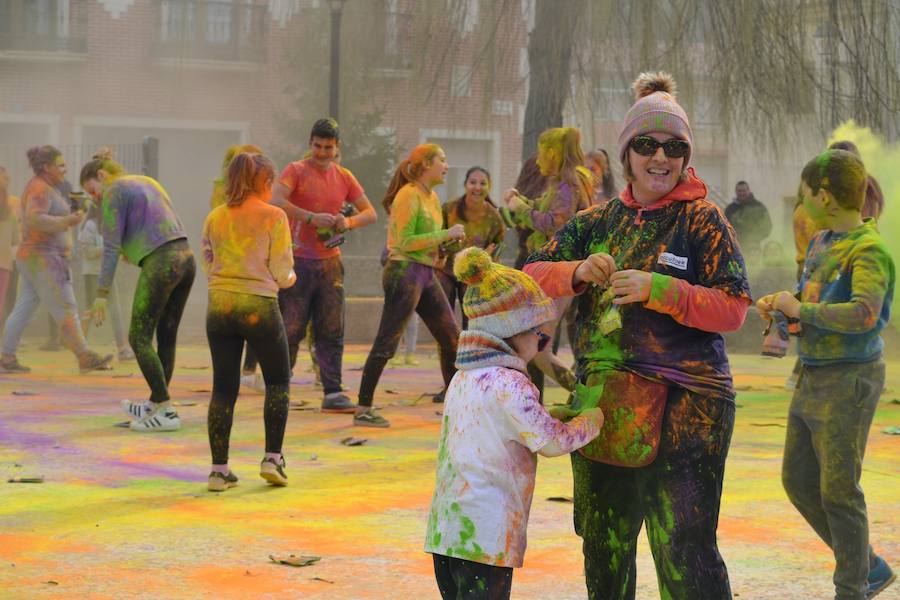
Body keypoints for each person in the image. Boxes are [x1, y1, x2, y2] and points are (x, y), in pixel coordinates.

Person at [523, 72, 751, 599]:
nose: (660, 157)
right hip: (606, 404)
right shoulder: (596, 221)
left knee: (684, 551)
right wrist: (576, 272)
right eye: (646, 144)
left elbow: (734, 307)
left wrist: (662, 289)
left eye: (674, 147)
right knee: (605, 546)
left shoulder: (704, 220)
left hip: (690, 405)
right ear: (627, 152)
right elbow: (530, 275)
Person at [425, 247, 604, 600]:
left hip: (447, 532)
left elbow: (499, 428)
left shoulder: (464, 378)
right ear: (513, 330)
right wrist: (590, 422)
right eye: (540, 334)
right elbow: (551, 443)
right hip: (485, 537)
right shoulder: (512, 383)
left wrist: (550, 415)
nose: (543, 343)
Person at [756, 149, 895, 600]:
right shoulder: (820, 242)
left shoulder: (870, 250)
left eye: (804, 196)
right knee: (797, 480)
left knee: (839, 489)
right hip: (813, 373)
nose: (801, 205)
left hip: (850, 379)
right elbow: (804, 305)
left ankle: (851, 588)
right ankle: (867, 566)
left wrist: (804, 309)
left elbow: (865, 316)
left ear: (826, 196)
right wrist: (782, 308)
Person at [201, 151, 296, 492]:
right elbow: (281, 269)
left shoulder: (215, 217)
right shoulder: (274, 216)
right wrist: (290, 278)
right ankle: (272, 458)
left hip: (220, 305)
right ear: (265, 182)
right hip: (259, 305)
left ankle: (218, 470)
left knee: (223, 389)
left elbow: (208, 259)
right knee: (278, 381)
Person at [81, 153, 195, 432]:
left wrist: (101, 294)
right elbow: (159, 225)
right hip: (186, 258)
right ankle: (156, 402)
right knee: (166, 337)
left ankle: (166, 411)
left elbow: (109, 248)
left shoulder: (113, 192)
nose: (94, 198)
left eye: (92, 191)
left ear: (103, 177)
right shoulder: (145, 182)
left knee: (138, 337)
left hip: (162, 263)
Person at [271, 118, 377, 413]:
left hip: (330, 264)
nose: (322, 152)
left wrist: (348, 221)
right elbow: (276, 200)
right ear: (310, 144)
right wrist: (308, 217)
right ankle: (280, 385)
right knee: (290, 327)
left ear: (337, 147)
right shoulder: (295, 171)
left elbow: (370, 213)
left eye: (328, 147)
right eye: (317, 146)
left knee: (331, 328)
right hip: (298, 261)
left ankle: (332, 391)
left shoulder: (344, 177)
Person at [356, 144, 465, 428]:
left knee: (452, 336)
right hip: (404, 271)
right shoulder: (409, 195)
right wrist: (445, 233)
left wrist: (445, 244)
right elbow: (404, 241)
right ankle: (363, 407)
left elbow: (426, 239)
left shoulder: (431, 197)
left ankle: (457, 404)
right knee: (388, 340)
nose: (447, 165)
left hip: (425, 272)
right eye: (442, 159)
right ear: (426, 164)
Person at [0, 146, 113, 375]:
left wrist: (69, 217)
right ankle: (84, 356)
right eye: (60, 165)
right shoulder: (40, 188)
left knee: (24, 308)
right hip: (42, 257)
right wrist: (67, 221)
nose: (65, 169)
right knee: (67, 306)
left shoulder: (46, 187)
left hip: (36, 257)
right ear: (46, 167)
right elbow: (34, 218)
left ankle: (6, 357)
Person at [503, 127, 593, 396]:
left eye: (543, 152)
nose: (538, 158)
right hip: (554, 274)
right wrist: (521, 204)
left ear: (553, 154)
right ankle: (578, 397)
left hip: (557, 277)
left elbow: (556, 224)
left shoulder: (567, 184)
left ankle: (583, 397)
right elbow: (546, 211)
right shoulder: (562, 184)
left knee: (538, 349)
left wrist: (521, 208)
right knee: (536, 348)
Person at [209, 143, 265, 392]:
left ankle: (245, 371)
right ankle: (238, 372)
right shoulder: (221, 190)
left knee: (249, 318)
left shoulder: (257, 191)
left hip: (244, 266)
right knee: (241, 320)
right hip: (235, 267)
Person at [437, 166, 506, 330]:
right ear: (465, 184)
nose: (477, 187)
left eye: (483, 183)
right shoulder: (449, 209)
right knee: (445, 321)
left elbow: (499, 245)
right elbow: (437, 236)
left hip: (474, 275)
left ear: (489, 186)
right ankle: (448, 355)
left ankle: (469, 353)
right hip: (446, 270)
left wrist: (487, 256)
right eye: (473, 182)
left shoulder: (494, 216)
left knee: (472, 321)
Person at [78, 182, 133, 361]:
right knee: (89, 311)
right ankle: (81, 349)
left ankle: (122, 349)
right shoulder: (90, 226)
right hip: (92, 275)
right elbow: (86, 251)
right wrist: (107, 249)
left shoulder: (107, 227)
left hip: (106, 276)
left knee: (115, 310)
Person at [724, 181, 772, 261]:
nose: (742, 193)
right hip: (735, 248)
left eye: (744, 190)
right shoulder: (730, 209)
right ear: (736, 192)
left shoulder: (759, 207)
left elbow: (767, 226)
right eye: (739, 191)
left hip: (754, 248)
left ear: (749, 190)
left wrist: (755, 238)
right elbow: (724, 227)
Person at [0, 166, 20, 325]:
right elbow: (15, 238)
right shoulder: (10, 209)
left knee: (8, 298)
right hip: (5, 261)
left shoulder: (15, 203)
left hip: (9, 260)